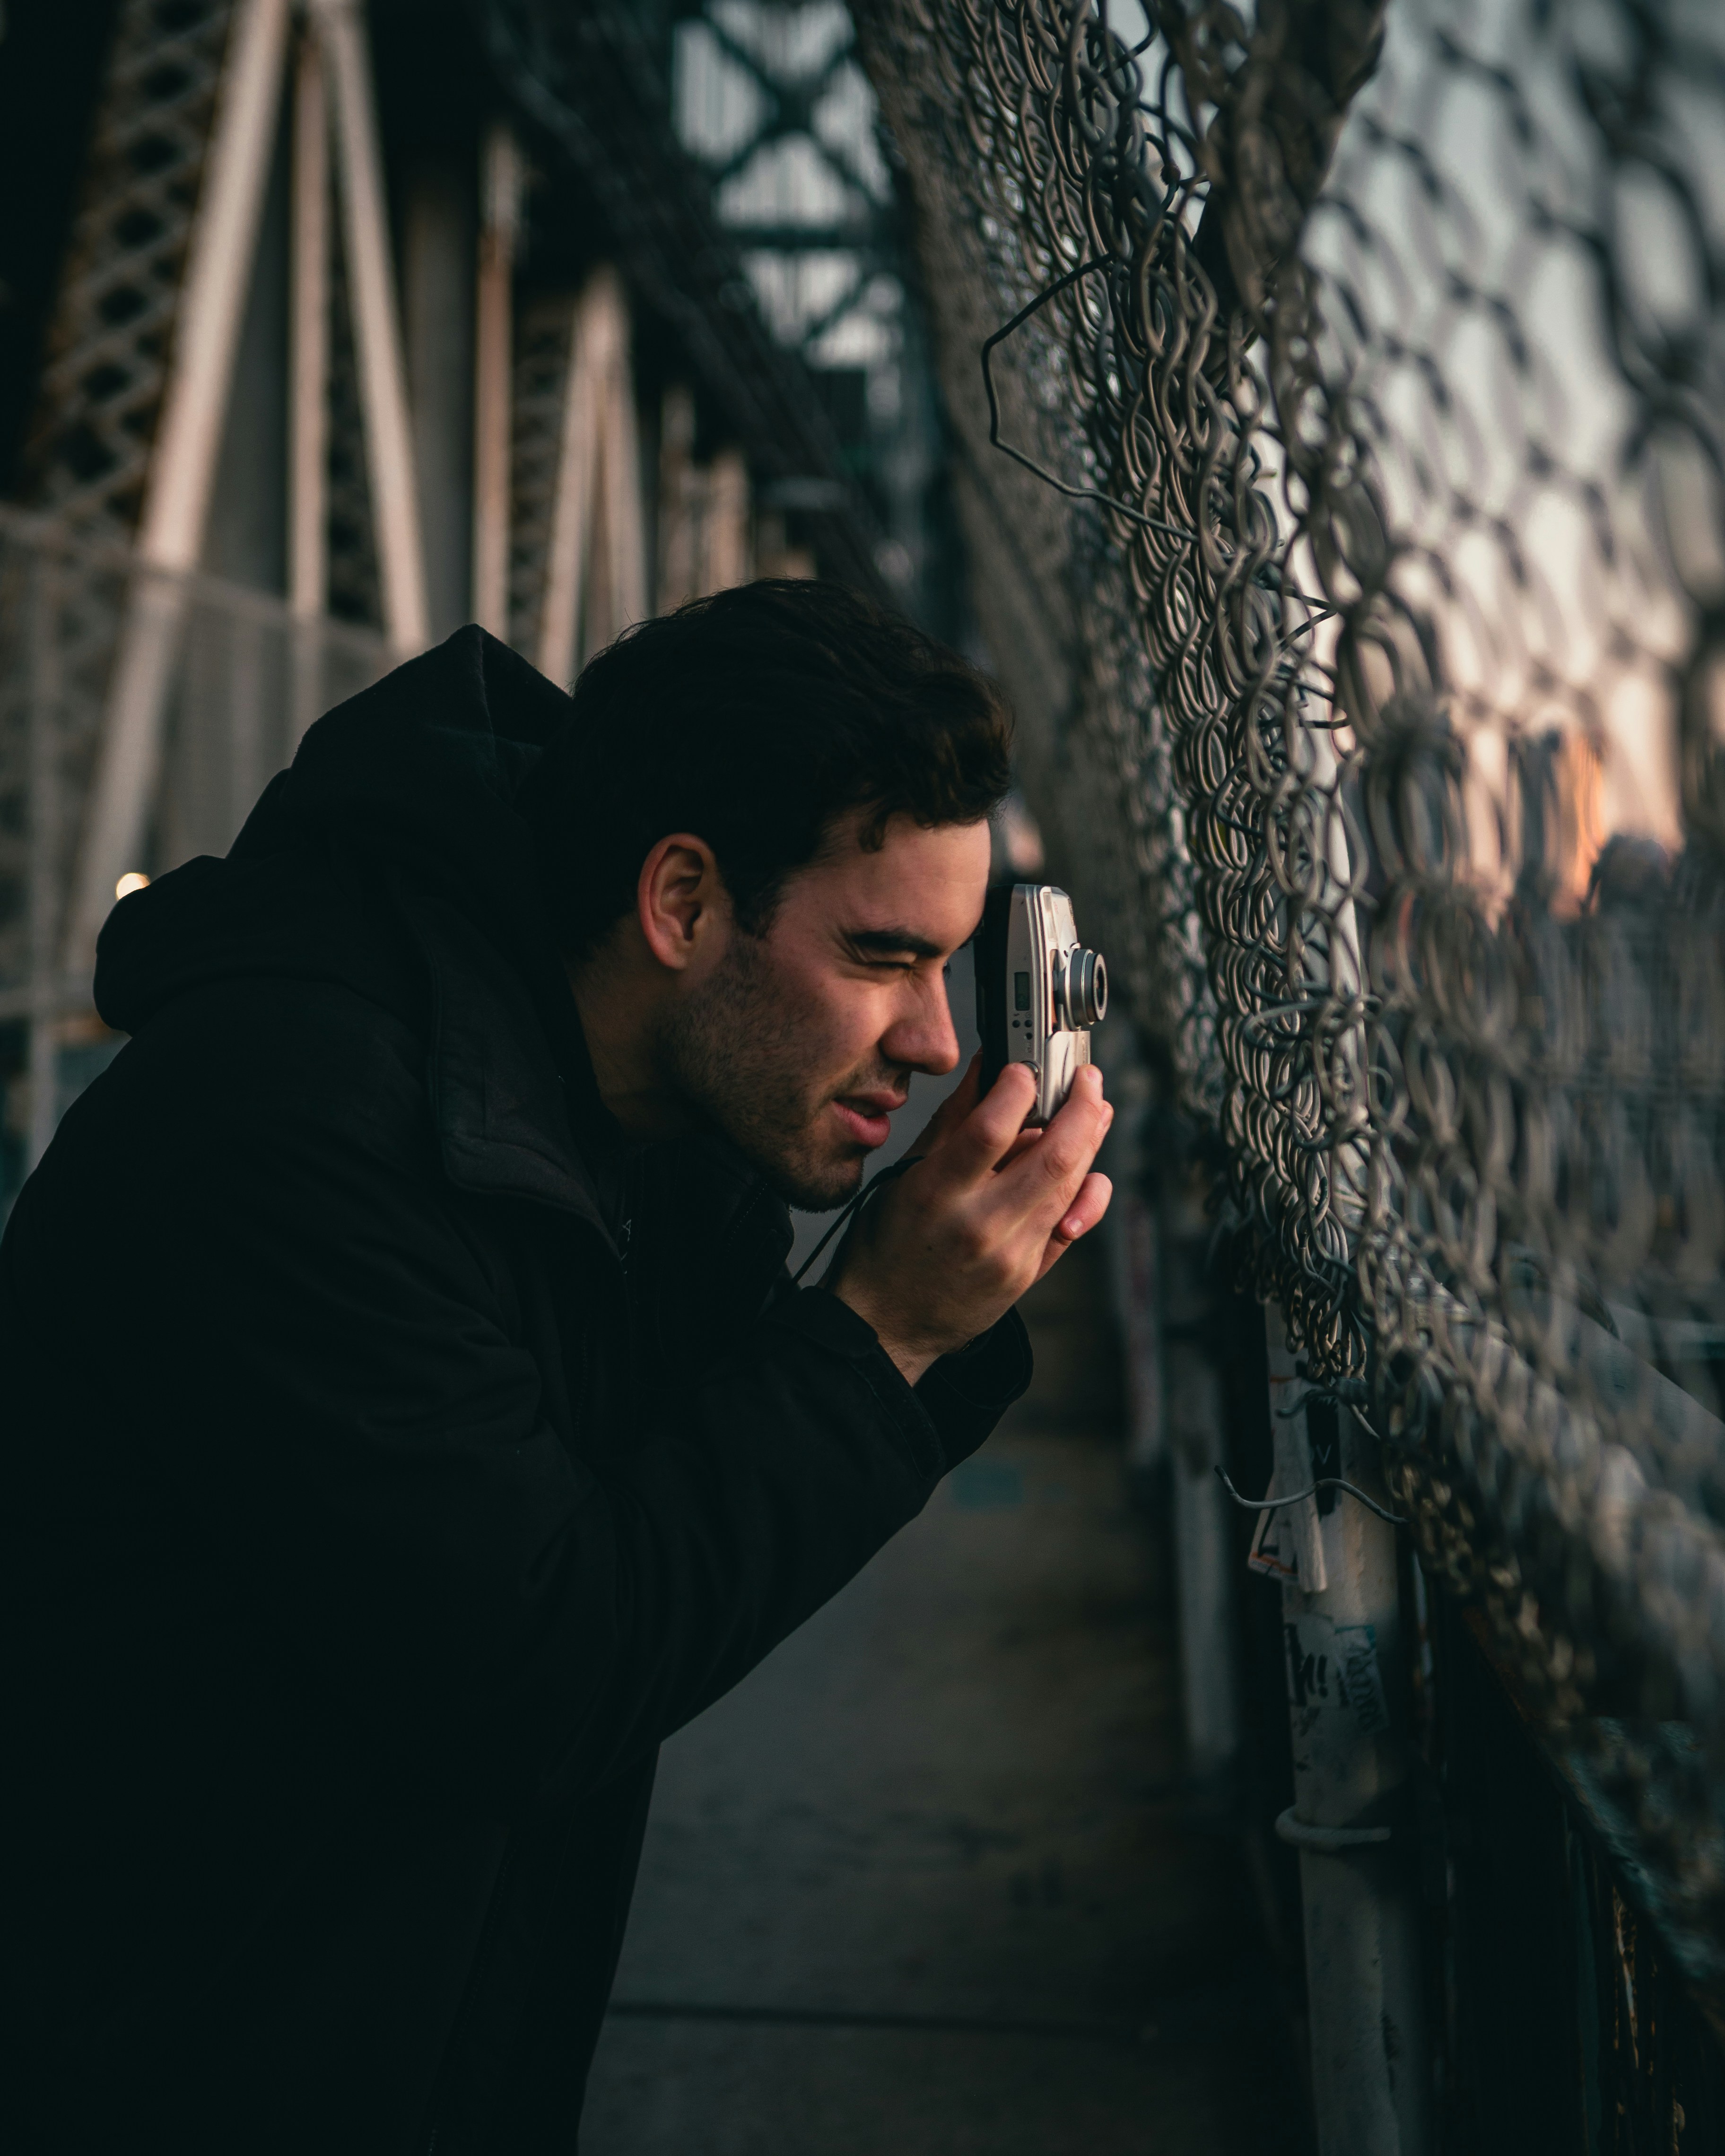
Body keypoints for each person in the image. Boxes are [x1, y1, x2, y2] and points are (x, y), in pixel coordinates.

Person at [1, 581, 1111, 2152]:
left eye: (955, 966)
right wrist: (886, 1332)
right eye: (881, 957)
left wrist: (932, 1306)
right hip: (158, 2059)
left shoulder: (635, 1114)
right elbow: (551, 1661)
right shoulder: (287, 1129)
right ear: (679, 904)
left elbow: (686, 1515)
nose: (935, 1040)